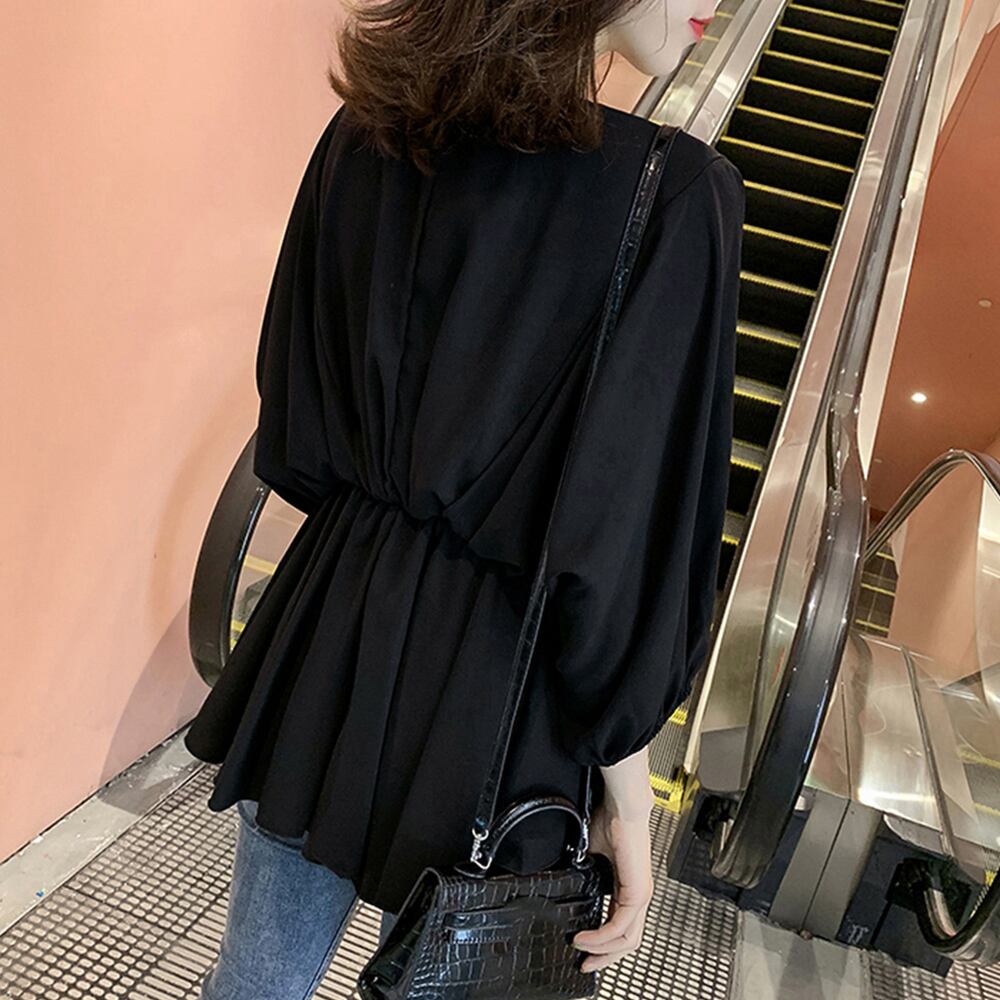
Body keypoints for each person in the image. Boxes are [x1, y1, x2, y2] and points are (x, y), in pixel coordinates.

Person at [183, 0, 744, 996]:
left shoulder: (367, 130)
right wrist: (630, 806)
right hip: (507, 700)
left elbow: (296, 429)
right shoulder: (674, 192)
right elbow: (615, 548)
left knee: (255, 980)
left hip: (330, 633)